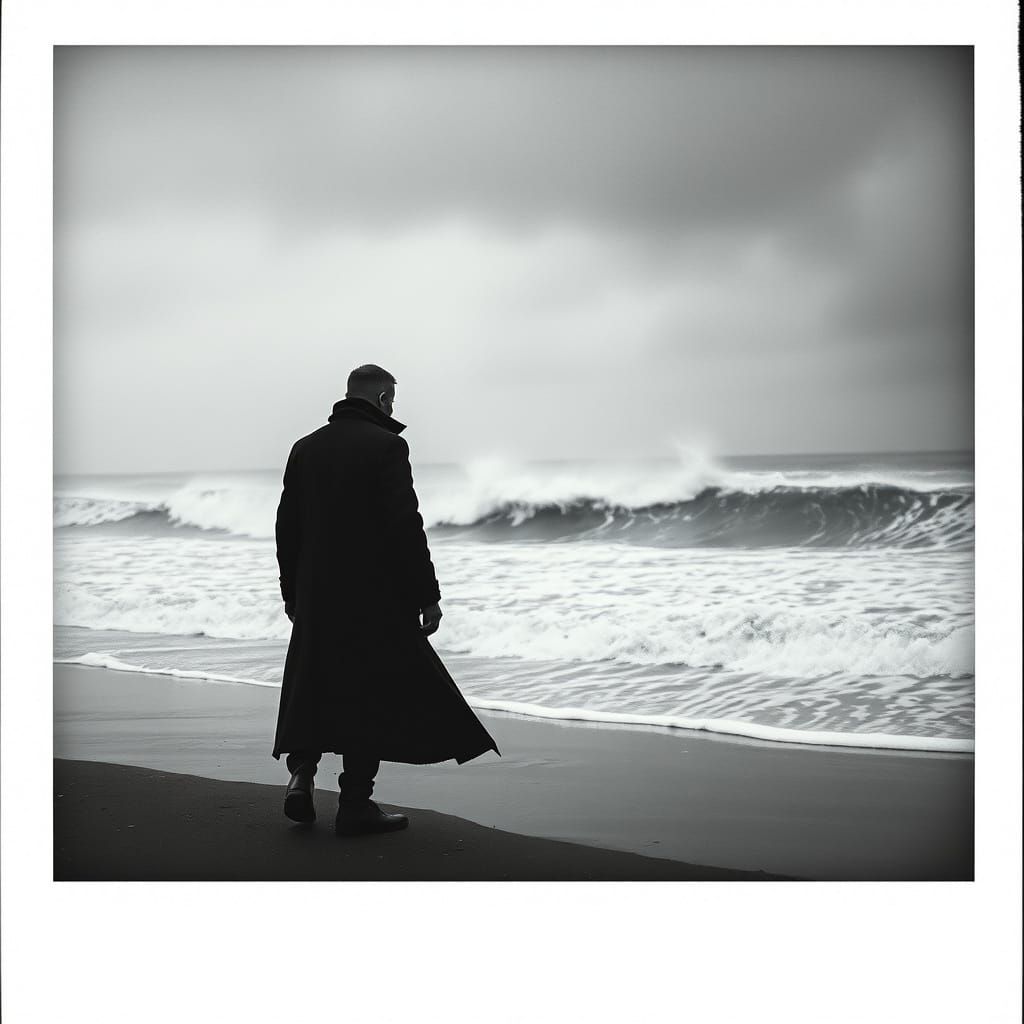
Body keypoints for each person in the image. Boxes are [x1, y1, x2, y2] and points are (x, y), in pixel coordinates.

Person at [272, 363, 500, 836]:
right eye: (391, 400)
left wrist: (292, 590)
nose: (393, 409)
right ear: (381, 400)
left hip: (316, 596)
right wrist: (428, 595)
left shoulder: (305, 448)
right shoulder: (388, 447)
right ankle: (355, 803)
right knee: (365, 695)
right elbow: (404, 527)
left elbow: (286, 527)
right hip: (372, 599)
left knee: (313, 684)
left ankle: (301, 775)